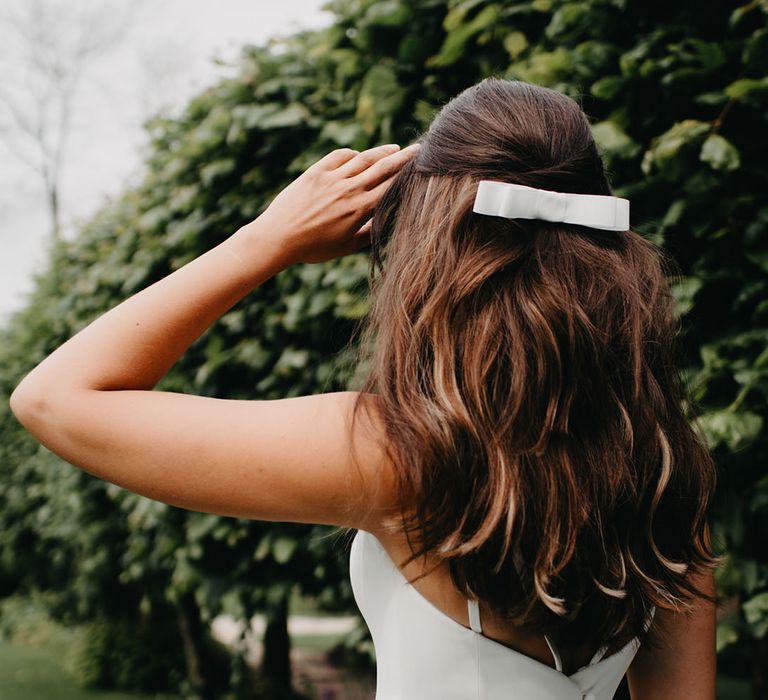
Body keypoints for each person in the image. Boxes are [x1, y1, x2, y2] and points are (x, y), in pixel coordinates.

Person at [10, 77, 719, 699]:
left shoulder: (396, 452)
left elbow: (55, 399)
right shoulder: (666, 469)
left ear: (427, 248)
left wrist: (267, 239)